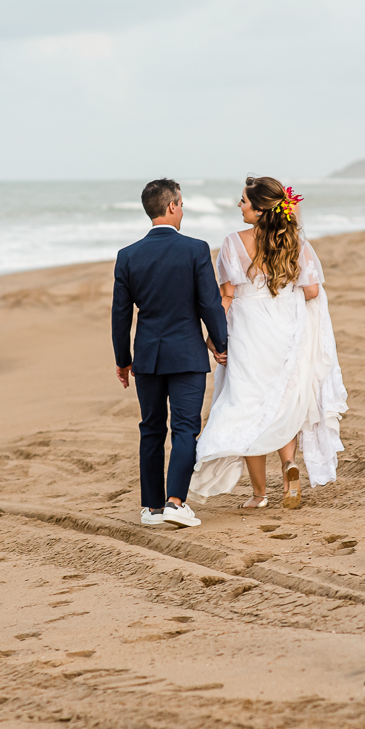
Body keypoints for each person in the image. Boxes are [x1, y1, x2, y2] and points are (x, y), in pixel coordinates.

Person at [188, 176, 347, 509]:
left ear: (260, 210)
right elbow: (312, 291)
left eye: (244, 201)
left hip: (247, 332)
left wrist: (213, 338)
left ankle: (260, 495)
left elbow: (226, 297)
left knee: (248, 405)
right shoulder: (294, 243)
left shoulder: (233, 242)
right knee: (281, 401)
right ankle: (289, 464)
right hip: (284, 332)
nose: (239, 205)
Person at [112, 178, 228, 528]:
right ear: (173, 206)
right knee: (185, 428)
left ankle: (151, 509)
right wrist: (220, 344)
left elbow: (121, 314)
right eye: (182, 203)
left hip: (147, 355)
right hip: (186, 355)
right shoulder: (195, 249)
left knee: (150, 429)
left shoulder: (128, 255)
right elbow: (210, 304)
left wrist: (123, 359)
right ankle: (176, 501)